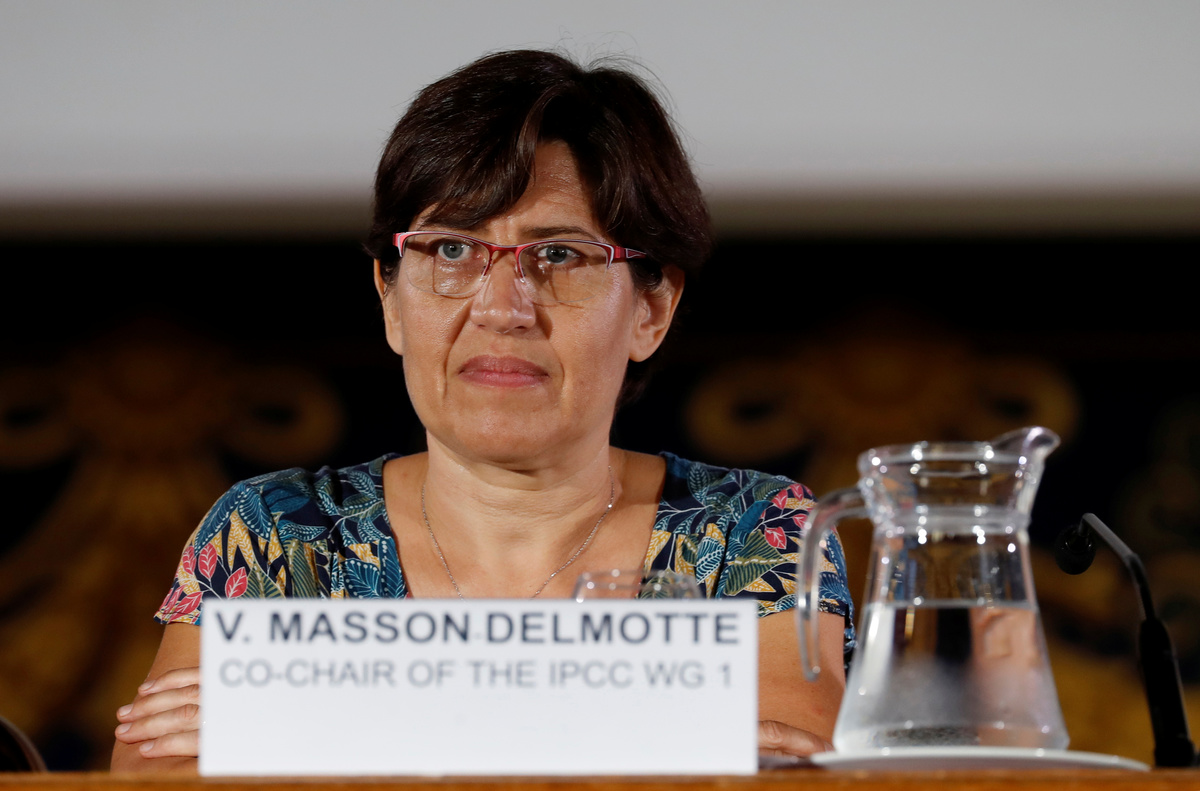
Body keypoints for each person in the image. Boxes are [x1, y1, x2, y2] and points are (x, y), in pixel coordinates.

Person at [111, 49, 853, 773]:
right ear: (390, 298)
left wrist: (315, 722)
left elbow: (794, 766)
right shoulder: (277, 533)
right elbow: (155, 778)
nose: (501, 308)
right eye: (451, 251)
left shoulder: (754, 530)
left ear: (650, 310)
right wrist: (642, 733)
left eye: (559, 256)